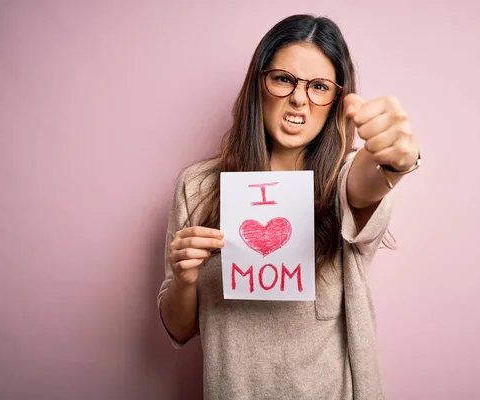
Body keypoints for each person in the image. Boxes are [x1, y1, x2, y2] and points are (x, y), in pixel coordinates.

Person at [157, 13, 420, 399]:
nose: (299, 98)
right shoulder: (197, 187)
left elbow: (365, 183)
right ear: (259, 84)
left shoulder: (340, 179)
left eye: (318, 86)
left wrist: (394, 161)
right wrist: (183, 279)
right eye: (284, 79)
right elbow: (179, 329)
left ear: (335, 101)